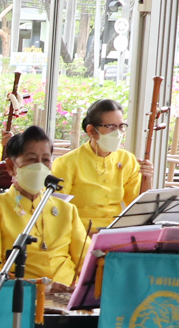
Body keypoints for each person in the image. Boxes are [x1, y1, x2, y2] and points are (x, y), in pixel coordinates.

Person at [0, 126, 89, 286]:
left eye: (45, 160)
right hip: (21, 293)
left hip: (68, 293)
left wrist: (80, 290)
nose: (39, 166)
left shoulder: (67, 210)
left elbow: (86, 260)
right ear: (11, 166)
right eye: (32, 159)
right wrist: (36, 287)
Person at [51, 98, 154, 232]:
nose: (117, 133)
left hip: (115, 232)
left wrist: (148, 177)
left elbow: (139, 207)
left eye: (121, 126)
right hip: (79, 234)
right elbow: (54, 210)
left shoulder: (127, 159)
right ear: (91, 130)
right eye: (110, 127)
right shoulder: (67, 163)